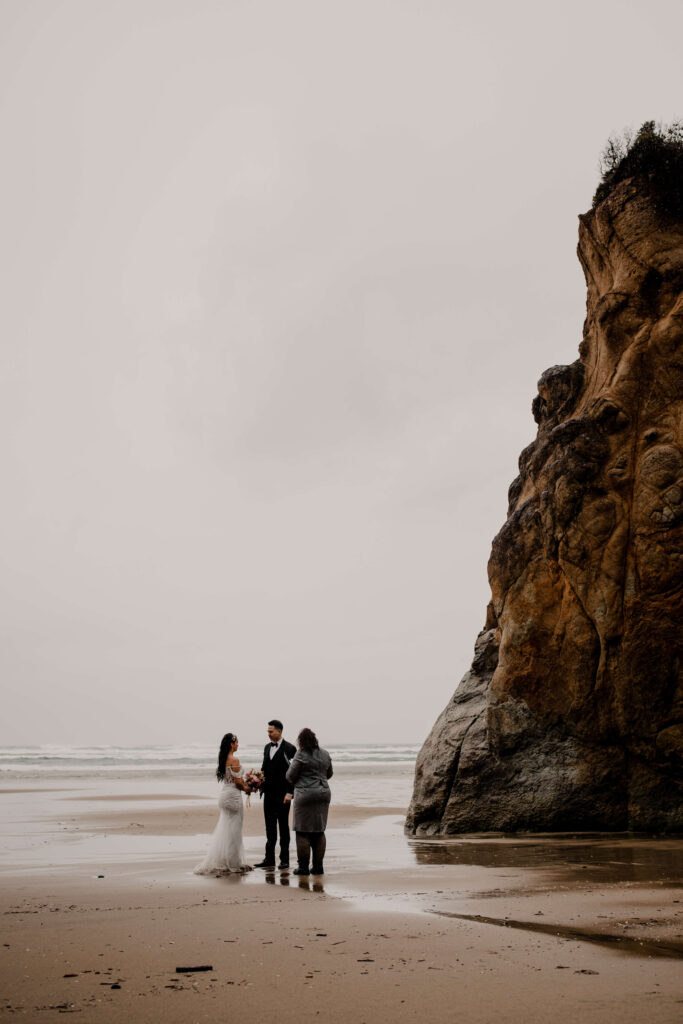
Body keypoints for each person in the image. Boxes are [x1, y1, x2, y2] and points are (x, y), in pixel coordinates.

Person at [194, 733, 253, 875]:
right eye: (237, 742)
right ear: (232, 744)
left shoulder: (223, 759)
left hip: (224, 796)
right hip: (233, 797)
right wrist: (249, 788)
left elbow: (232, 780)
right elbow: (238, 783)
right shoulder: (234, 759)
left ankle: (224, 860)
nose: (238, 745)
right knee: (234, 832)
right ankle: (233, 864)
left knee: (226, 829)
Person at [286, 727, 333, 876]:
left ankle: (303, 868)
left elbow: (290, 776)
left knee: (302, 832)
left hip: (305, 794)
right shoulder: (325, 754)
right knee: (319, 831)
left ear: (301, 741)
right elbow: (329, 773)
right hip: (323, 793)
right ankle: (318, 867)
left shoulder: (301, 754)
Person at [254, 719, 297, 870]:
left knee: (283, 827)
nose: (269, 734)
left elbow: (293, 773)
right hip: (268, 795)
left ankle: (284, 860)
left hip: (283, 795)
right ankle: (269, 858)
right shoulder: (267, 748)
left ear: (279, 731)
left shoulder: (290, 748)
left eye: (271, 731)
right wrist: (258, 782)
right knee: (270, 827)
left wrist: (290, 793)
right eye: (268, 731)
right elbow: (264, 768)